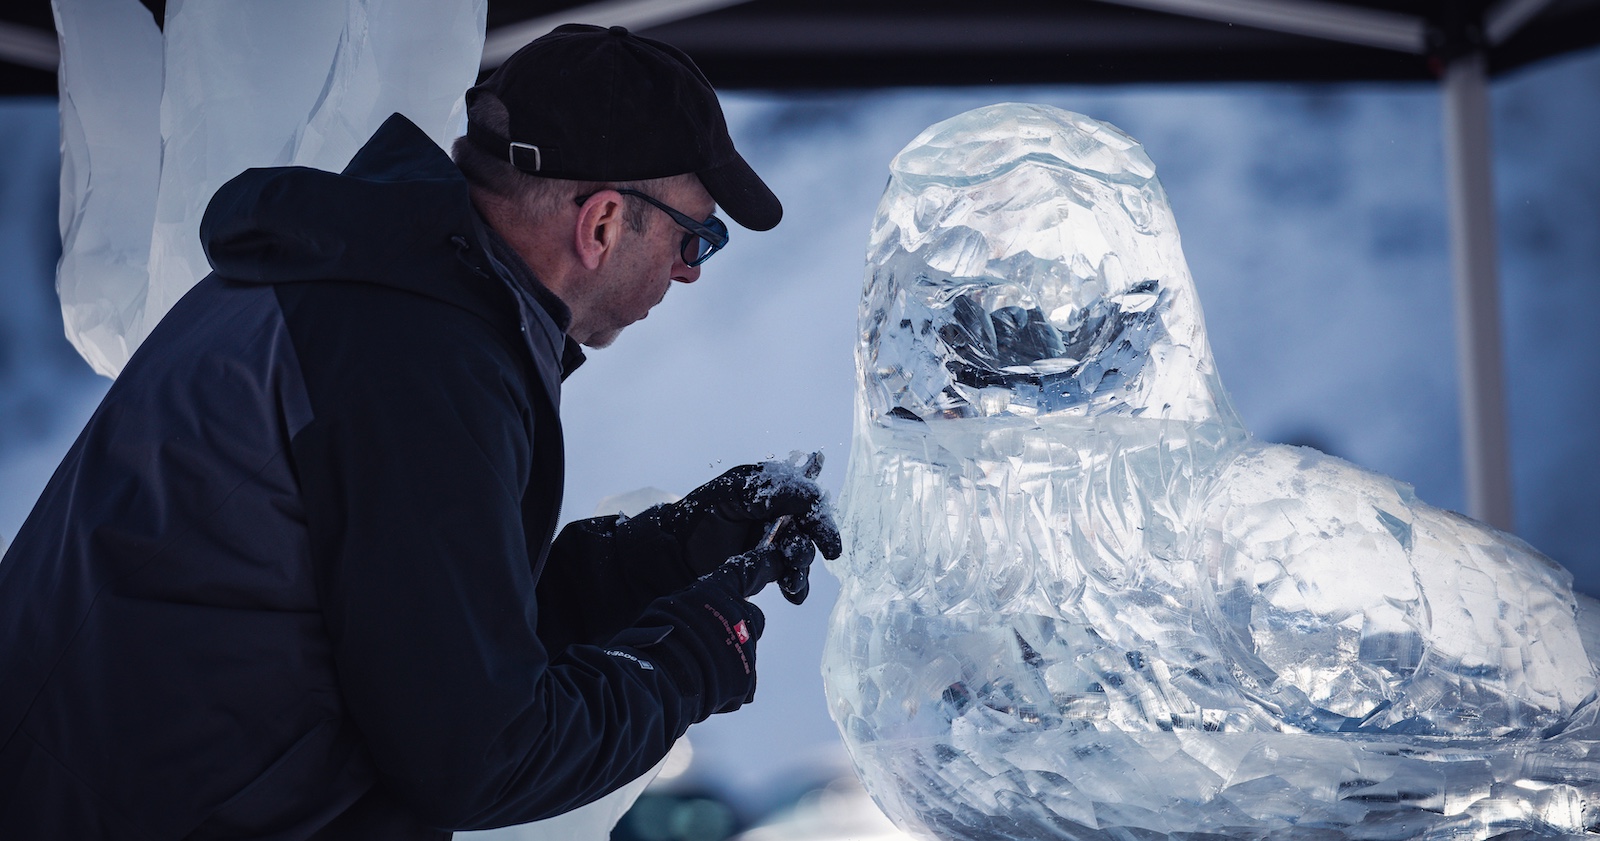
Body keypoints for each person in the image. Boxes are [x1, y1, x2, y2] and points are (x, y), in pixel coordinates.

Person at [0, 23, 839, 840]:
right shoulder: (414, 356)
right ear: (604, 223)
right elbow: (475, 749)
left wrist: (665, 554)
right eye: (697, 237)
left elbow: (417, 636)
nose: (690, 270)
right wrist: (694, 661)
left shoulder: (372, 292)